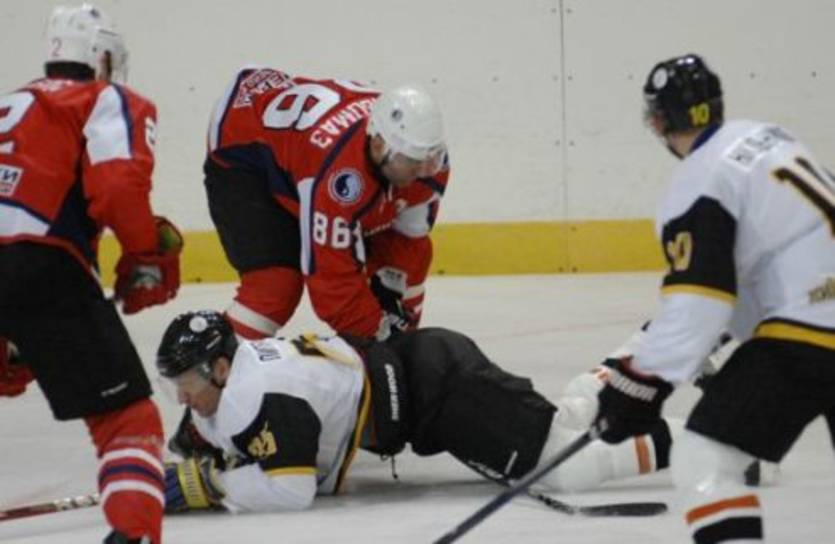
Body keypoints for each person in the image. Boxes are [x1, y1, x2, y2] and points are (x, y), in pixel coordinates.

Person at [593, 54, 835, 543]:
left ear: (658, 122)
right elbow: (745, 285)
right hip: (813, 316)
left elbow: (701, 297)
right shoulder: (772, 137)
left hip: (808, 333)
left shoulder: (699, 178)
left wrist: (642, 383)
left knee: (705, 459)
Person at [156, 310, 675, 513]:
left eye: (187, 384)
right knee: (568, 421)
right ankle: (652, 344)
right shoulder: (235, 377)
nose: (181, 398)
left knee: (564, 467)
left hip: (444, 391)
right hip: (428, 375)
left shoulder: (257, 395)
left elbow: (293, 491)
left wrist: (215, 483)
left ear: (220, 368)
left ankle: (697, 439)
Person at [0, 4, 183, 543]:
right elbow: (119, 186)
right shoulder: (105, 99)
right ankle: (133, 535)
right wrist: (145, 256)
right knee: (128, 421)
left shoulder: (9, 104)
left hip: (24, 266)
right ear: (102, 57)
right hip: (41, 265)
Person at [203, 67, 449, 342]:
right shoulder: (341, 180)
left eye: (428, 161)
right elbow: (331, 284)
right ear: (378, 145)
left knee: (399, 268)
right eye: (410, 162)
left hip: (303, 144)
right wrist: (376, 336)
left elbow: (407, 246)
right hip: (242, 143)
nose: (421, 172)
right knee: (276, 286)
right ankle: (218, 363)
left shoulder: (426, 162)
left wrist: (404, 340)